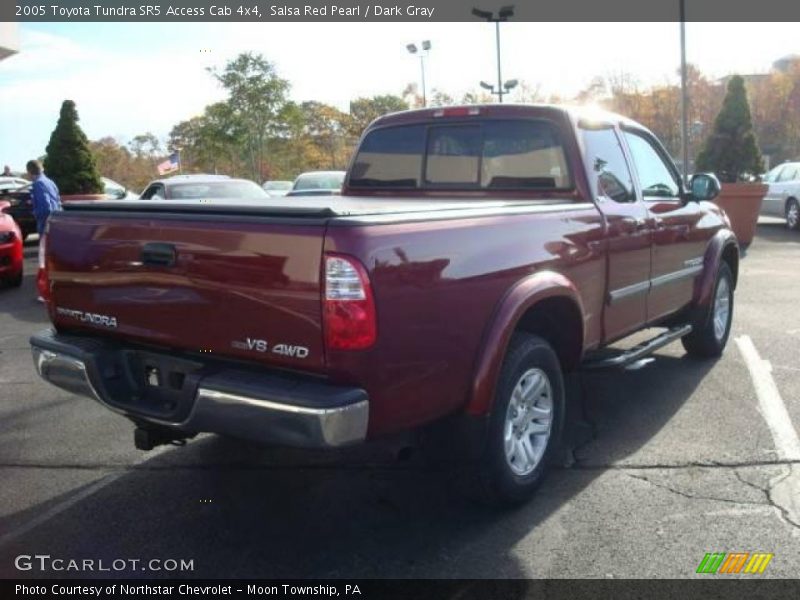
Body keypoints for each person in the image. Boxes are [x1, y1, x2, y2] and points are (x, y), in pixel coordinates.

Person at [26, 160, 61, 302]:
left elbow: (45, 207)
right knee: (53, 259)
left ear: (29, 172)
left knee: (44, 261)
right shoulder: (50, 182)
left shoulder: (37, 184)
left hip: (45, 226)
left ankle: (46, 293)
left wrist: (35, 211)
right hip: (55, 224)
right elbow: (57, 201)